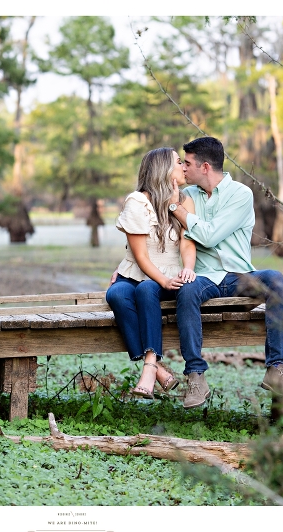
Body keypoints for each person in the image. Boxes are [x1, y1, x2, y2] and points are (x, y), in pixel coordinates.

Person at [167, 136, 283, 408]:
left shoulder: (240, 194)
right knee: (186, 291)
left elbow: (211, 236)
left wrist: (176, 209)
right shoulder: (187, 195)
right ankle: (195, 375)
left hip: (239, 275)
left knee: (274, 278)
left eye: (187, 163)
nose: (184, 168)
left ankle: (276, 369)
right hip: (203, 277)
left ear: (204, 167)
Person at [106, 147, 197, 399]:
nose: (184, 167)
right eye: (179, 162)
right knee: (116, 295)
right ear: (164, 170)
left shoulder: (185, 201)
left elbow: (188, 241)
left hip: (164, 274)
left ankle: (148, 368)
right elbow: (141, 257)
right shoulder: (137, 202)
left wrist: (185, 269)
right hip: (134, 272)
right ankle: (157, 368)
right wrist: (164, 280)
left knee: (147, 289)